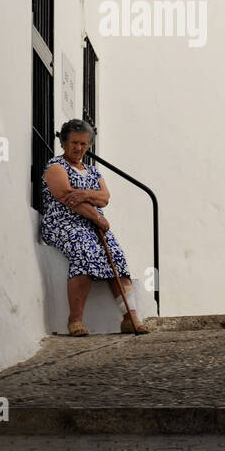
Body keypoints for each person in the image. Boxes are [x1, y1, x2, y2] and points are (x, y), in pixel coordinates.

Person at [41, 119, 150, 336]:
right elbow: (66, 197)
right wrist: (97, 217)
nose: (79, 148)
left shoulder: (92, 171)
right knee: (83, 251)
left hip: (92, 226)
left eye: (83, 144)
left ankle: (130, 317)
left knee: (117, 255)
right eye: (74, 143)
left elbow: (105, 198)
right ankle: (75, 320)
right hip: (63, 224)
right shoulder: (55, 167)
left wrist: (83, 194)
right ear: (63, 142)